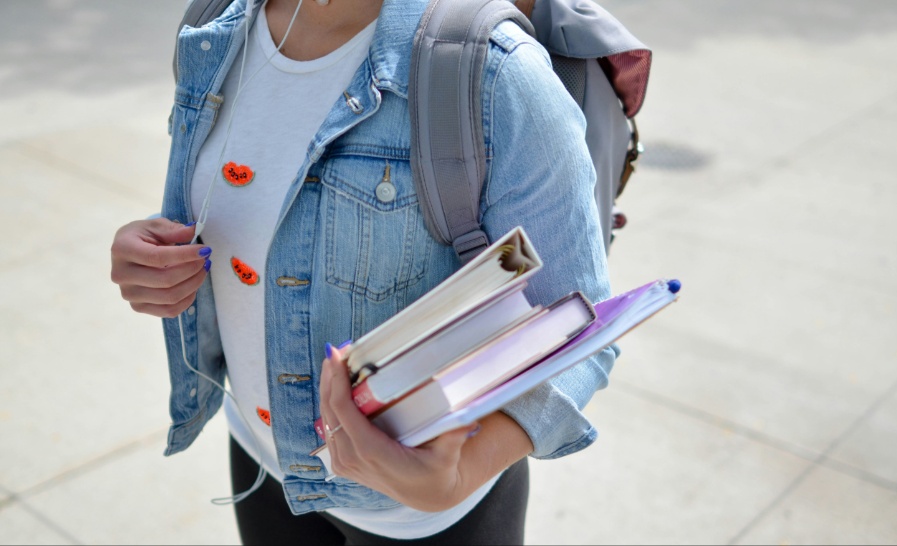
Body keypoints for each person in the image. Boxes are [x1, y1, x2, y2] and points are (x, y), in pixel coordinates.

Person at [110, 0, 617, 543]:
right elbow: (240, 205)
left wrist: (457, 477)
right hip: (262, 465)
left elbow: (576, 324)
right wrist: (154, 254)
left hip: (426, 519)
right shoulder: (214, 27)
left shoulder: (494, 71)